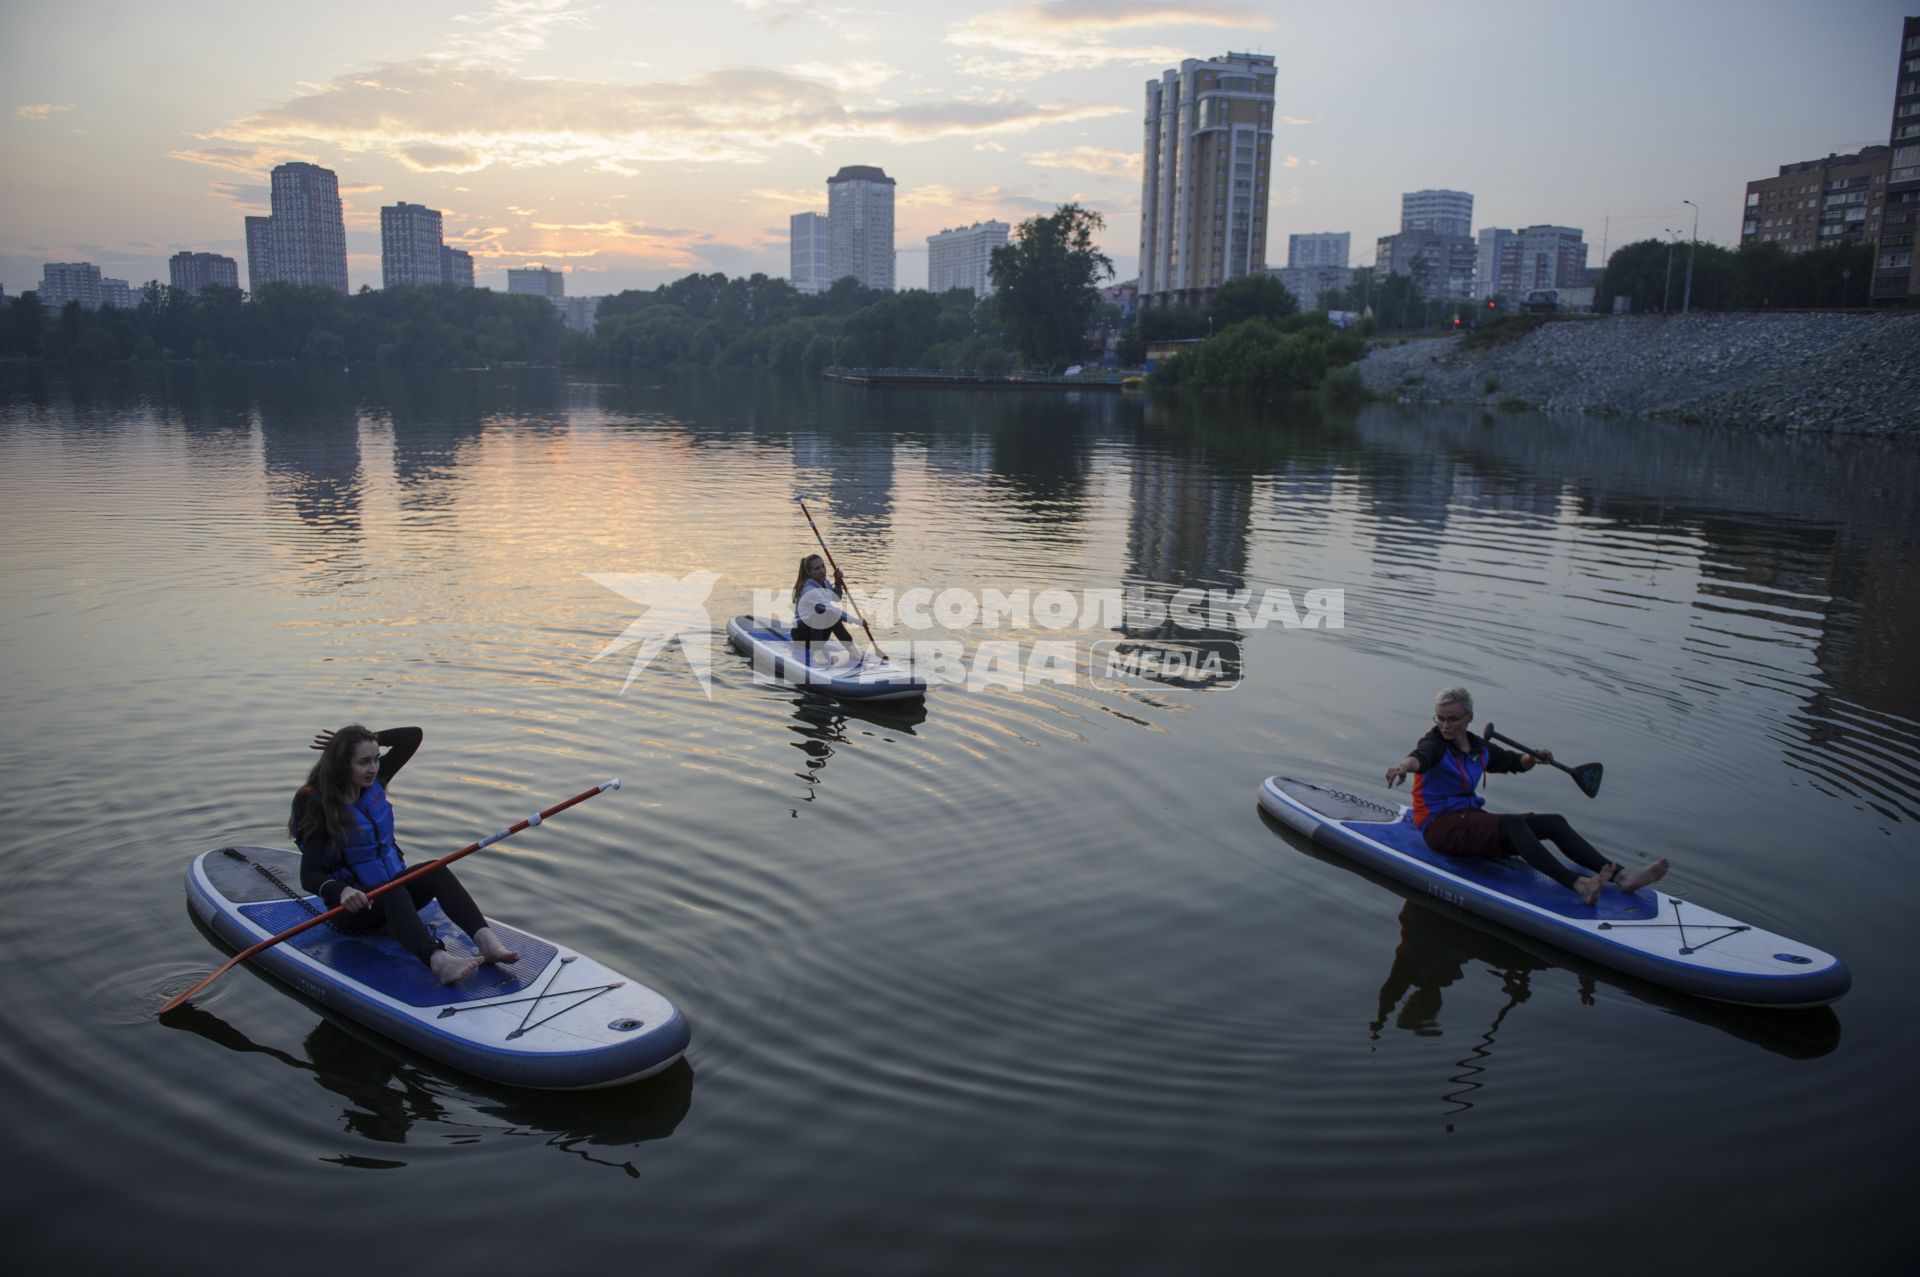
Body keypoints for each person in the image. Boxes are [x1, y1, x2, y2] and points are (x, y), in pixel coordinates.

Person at [1384, 687, 1668, 906]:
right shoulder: (1433, 744)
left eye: (1452, 719)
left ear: (1469, 718)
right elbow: (1419, 758)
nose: (1445, 725)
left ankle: (1622, 875)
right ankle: (1580, 885)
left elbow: (1510, 762)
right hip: (1439, 826)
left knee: (1554, 822)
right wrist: (1402, 767)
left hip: (1469, 820)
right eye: (1440, 718)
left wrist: (1532, 758)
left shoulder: (1480, 748)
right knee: (1512, 824)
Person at [290, 725, 518, 984]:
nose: (373, 768)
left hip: (396, 898)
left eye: (376, 759)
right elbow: (308, 876)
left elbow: (412, 736)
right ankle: (439, 962)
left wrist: (364, 740)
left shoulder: (376, 781)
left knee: (434, 868)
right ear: (341, 764)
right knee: (391, 889)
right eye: (363, 762)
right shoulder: (319, 804)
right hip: (352, 909)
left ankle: (486, 942)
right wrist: (341, 891)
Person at [790, 553, 859, 666]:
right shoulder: (808, 589)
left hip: (817, 634)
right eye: (817, 568)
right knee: (824, 613)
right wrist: (855, 620)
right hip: (801, 635)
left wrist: (837, 582)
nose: (822, 571)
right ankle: (818, 652)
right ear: (809, 572)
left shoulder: (825, 583)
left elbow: (836, 598)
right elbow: (829, 610)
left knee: (830, 615)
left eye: (823, 566)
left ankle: (851, 648)